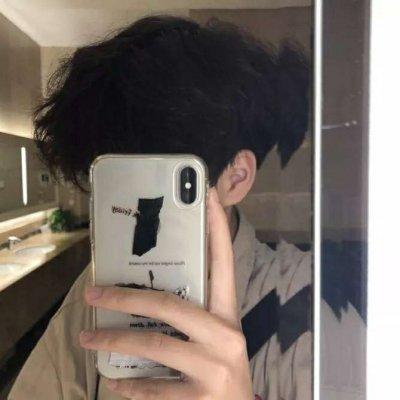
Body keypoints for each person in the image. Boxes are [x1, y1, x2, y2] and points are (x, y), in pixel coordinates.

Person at [9, 16, 311, 400]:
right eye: (117, 185)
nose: (138, 212)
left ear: (236, 177)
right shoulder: (97, 295)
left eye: (158, 186)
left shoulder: (306, 303)